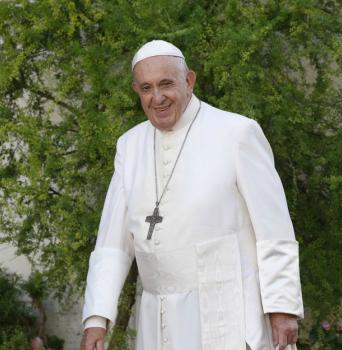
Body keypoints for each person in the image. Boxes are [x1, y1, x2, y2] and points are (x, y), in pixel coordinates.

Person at [80, 40, 304, 350]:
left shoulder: (237, 133)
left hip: (226, 310)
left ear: (189, 81)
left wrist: (282, 307)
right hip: (157, 319)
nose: (157, 97)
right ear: (137, 91)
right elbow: (112, 243)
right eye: (146, 88)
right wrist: (96, 317)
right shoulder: (129, 147)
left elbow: (274, 229)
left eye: (166, 84)